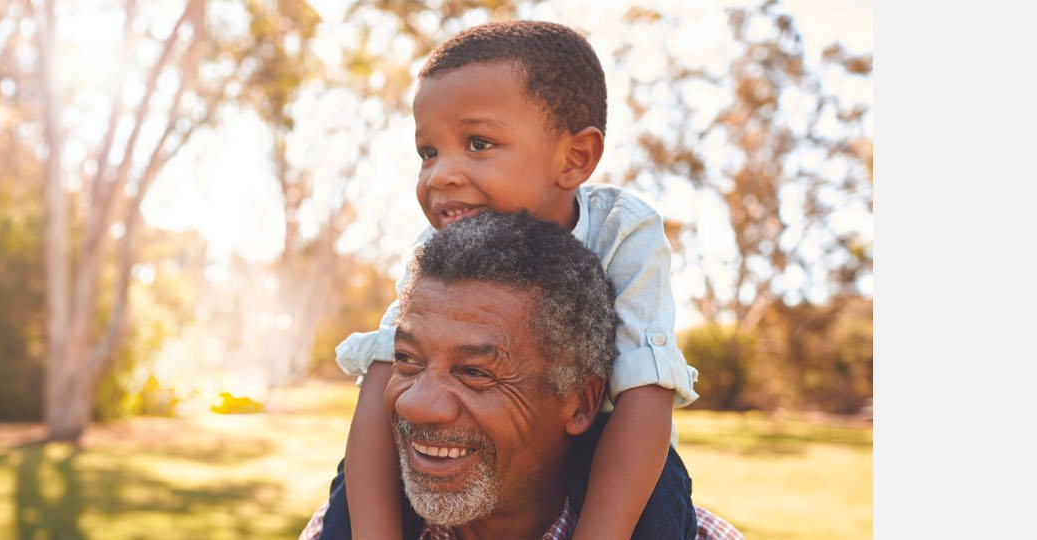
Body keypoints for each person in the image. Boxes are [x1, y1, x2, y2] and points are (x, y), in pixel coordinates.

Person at [321, 21, 701, 539]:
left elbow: (646, 389)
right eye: (428, 152)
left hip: (606, 453)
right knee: (363, 473)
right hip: (462, 462)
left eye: (478, 143)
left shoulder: (622, 229)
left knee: (661, 481)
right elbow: (384, 375)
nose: (440, 175)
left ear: (575, 158)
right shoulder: (435, 252)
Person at [303, 212, 723, 540]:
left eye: (474, 372)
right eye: (408, 361)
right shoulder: (337, 528)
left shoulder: (627, 230)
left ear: (580, 403)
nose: (415, 403)